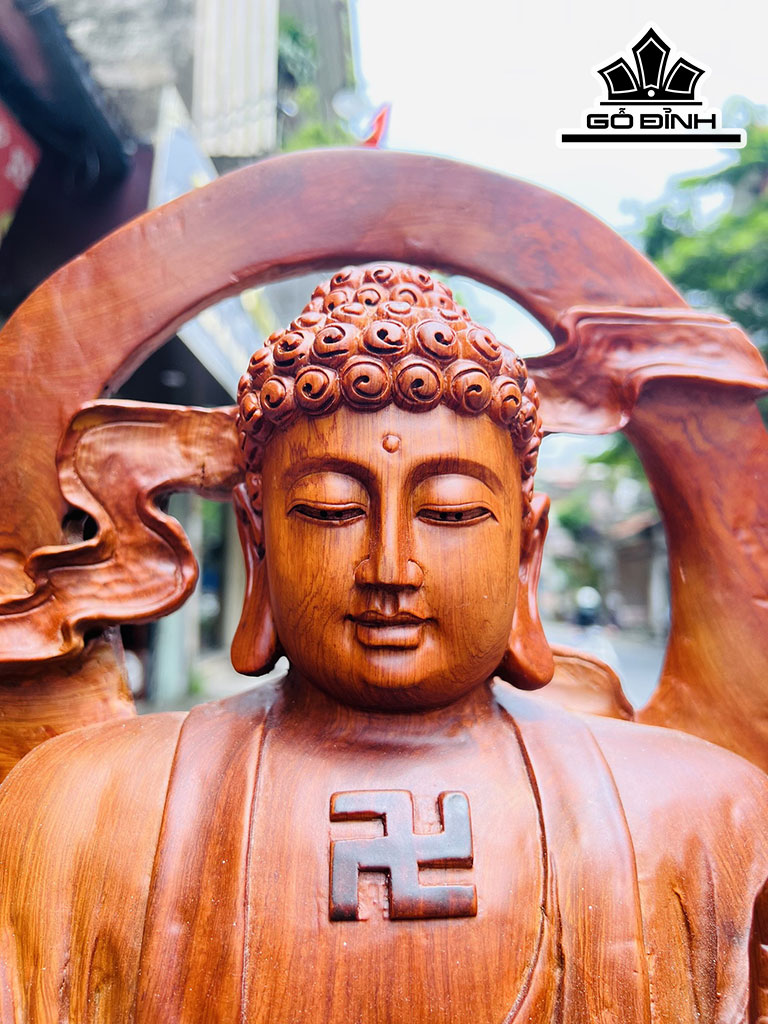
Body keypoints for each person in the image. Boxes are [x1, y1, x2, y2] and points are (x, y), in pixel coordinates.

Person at [0, 264, 766, 1024]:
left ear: (526, 552)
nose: (390, 569)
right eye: (331, 510)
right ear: (257, 541)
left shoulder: (704, 817)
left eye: (451, 512)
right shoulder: (79, 812)